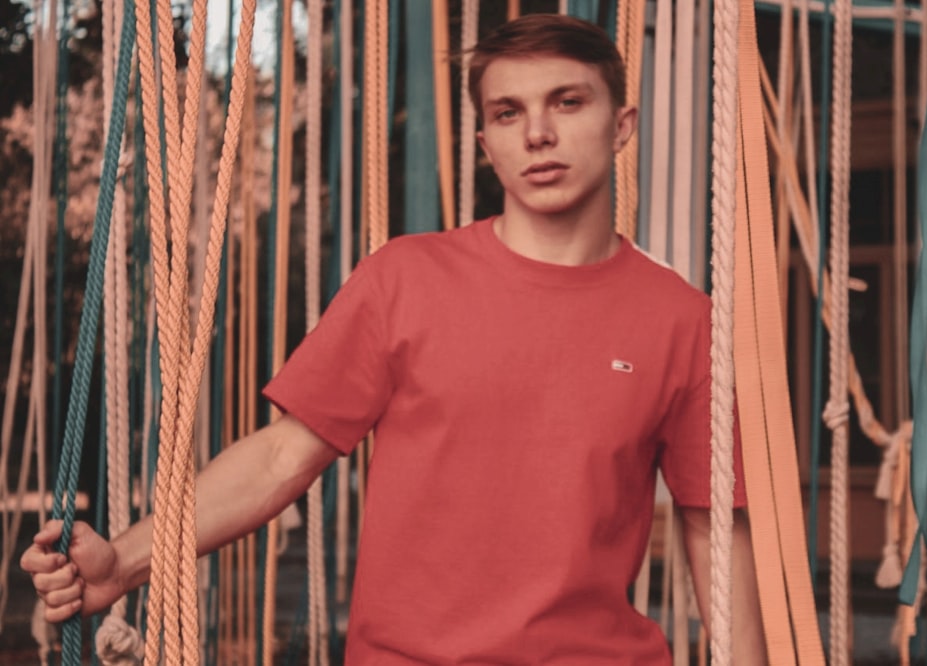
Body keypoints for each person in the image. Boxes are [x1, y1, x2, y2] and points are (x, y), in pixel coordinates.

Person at [23, 13, 766, 665]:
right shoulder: (405, 280)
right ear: (486, 141)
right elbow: (282, 456)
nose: (538, 133)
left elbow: (712, 534)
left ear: (622, 123)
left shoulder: (682, 320)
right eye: (508, 113)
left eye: (567, 103)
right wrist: (121, 562)